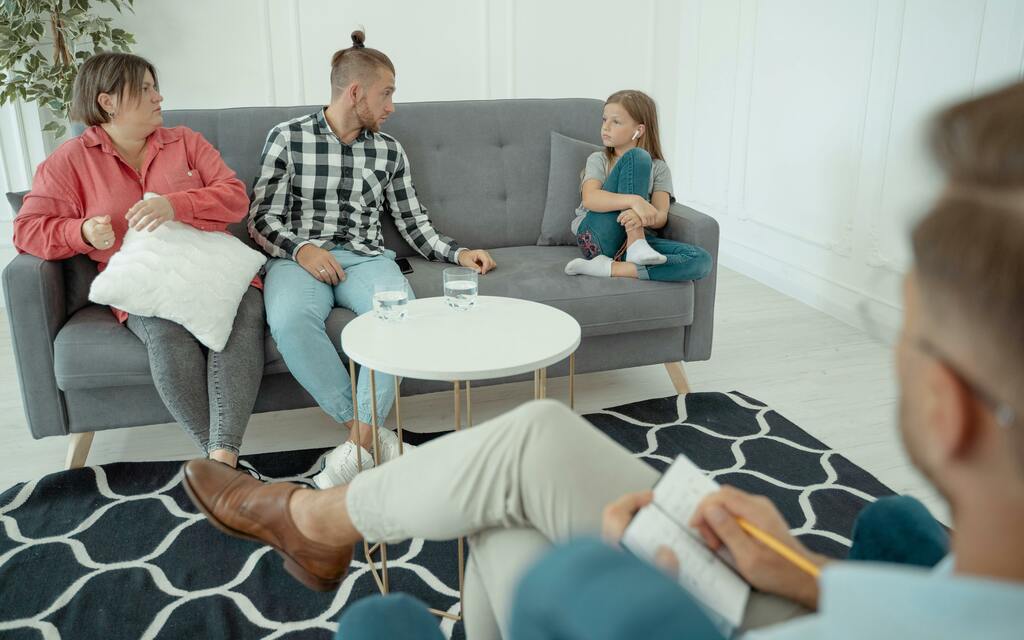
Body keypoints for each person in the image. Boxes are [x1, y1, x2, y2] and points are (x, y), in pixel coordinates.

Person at [183, 84, 1024, 638]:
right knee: (526, 455)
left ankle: (315, 519)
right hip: (850, 603)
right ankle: (324, 509)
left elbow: (413, 216)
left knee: (473, 536)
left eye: (906, 324)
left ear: (947, 403)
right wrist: (811, 576)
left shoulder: (391, 151)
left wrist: (607, 591)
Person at [247, 29, 497, 489]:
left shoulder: (388, 150)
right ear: (355, 92)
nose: (392, 107)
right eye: (387, 93)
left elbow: (412, 220)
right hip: (299, 258)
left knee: (399, 317)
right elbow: (261, 218)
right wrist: (302, 249)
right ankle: (374, 441)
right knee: (290, 321)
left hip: (366, 258)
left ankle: (357, 448)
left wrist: (458, 253)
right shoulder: (287, 138)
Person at [14, 52, 264, 468]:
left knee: (242, 319)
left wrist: (176, 204)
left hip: (215, 270)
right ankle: (223, 464)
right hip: (143, 282)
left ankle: (220, 466)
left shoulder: (186, 142)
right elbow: (26, 229)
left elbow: (236, 199)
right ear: (107, 101)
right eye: (145, 89)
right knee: (167, 336)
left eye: (154, 87)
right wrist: (80, 232)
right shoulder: (70, 161)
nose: (158, 97)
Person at [564, 90, 712, 283]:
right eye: (604, 120)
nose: (605, 127)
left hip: (636, 245)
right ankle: (636, 243)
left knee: (701, 260)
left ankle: (611, 267)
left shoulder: (659, 168)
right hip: (596, 237)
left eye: (616, 122)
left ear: (639, 130)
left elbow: (660, 217)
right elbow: (590, 199)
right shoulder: (598, 159)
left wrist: (641, 217)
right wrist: (636, 201)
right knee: (637, 156)